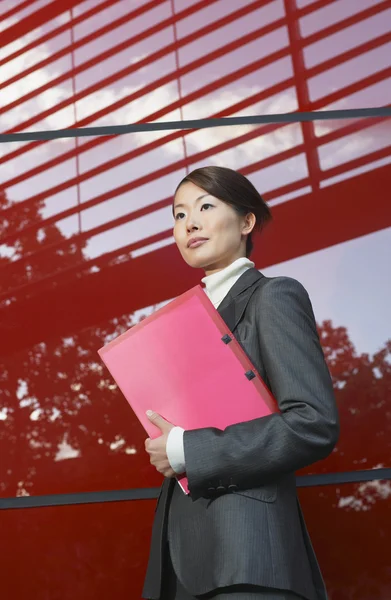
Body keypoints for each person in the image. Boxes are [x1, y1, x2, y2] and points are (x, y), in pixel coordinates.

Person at [142, 166, 339, 600]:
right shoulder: (178, 326)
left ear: (247, 222)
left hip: (249, 558)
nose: (188, 223)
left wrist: (185, 449)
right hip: (179, 565)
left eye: (205, 207)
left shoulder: (274, 296)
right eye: (177, 215)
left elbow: (312, 423)